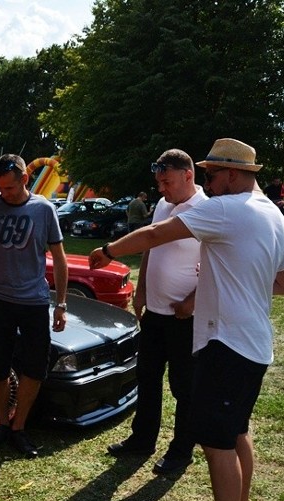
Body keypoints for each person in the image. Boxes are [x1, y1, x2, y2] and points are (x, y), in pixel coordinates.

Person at [89, 138, 284, 501]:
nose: (208, 182)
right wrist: (237, 276)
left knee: (217, 443)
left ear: (233, 175)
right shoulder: (274, 215)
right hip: (254, 343)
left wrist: (107, 251)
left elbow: (153, 234)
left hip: (225, 345)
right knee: (237, 433)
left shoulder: (227, 208)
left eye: (211, 175)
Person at [0, 154, 68, 459]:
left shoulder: (44, 209)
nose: (2, 194)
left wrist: (61, 304)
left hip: (34, 302)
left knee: (35, 366)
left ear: (24, 180)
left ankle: (19, 427)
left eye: (8, 188)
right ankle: (3, 424)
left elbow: (59, 260)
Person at [107, 149, 207, 476]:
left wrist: (192, 300)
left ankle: (181, 451)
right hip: (155, 313)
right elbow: (151, 244)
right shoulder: (164, 205)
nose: (161, 189)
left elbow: (217, 266)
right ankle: (142, 439)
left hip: (186, 318)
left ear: (188, 174)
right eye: (159, 182)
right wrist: (141, 291)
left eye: (167, 181)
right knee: (147, 377)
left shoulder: (206, 210)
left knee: (184, 386)